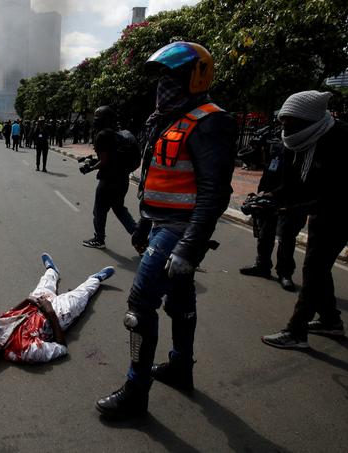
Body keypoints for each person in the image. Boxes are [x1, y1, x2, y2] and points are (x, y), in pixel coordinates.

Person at [96, 42, 237, 418]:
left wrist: (189, 248)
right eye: (161, 78)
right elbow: (160, 180)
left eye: (172, 77)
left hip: (181, 229)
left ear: (195, 77)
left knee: (141, 306)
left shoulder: (211, 121)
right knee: (179, 300)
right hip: (161, 224)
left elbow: (215, 191)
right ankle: (179, 366)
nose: (164, 86)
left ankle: (135, 391)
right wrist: (143, 223)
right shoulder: (169, 120)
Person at [261, 91, 348, 349]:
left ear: (309, 120)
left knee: (314, 267)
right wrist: (269, 198)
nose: (284, 126)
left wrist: (288, 208)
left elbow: (335, 193)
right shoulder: (298, 142)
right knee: (318, 266)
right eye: (282, 120)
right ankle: (331, 320)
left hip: (342, 210)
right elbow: (294, 185)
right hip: (321, 210)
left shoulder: (341, 139)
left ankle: (296, 331)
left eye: (290, 121)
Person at [0, 253, 115, 364]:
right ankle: (96, 279)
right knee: (81, 295)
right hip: (57, 315)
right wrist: (50, 312)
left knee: (45, 283)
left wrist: (27, 300)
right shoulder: (25, 351)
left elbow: (7, 314)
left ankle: (52, 269)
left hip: (34, 306)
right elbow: (61, 348)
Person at [239, 121, 306, 291]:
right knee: (264, 234)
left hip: (291, 201)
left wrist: (273, 194)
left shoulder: (303, 149)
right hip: (269, 198)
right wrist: (260, 193)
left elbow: (296, 181)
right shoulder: (277, 146)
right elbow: (269, 171)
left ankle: (285, 273)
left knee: (286, 238)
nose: (284, 128)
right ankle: (262, 266)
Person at [82, 106, 141, 249]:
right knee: (119, 209)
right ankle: (140, 236)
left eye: (97, 118)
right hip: (123, 180)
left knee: (99, 211)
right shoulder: (119, 134)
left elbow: (104, 161)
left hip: (108, 181)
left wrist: (90, 167)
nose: (95, 121)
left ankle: (99, 239)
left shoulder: (102, 135)